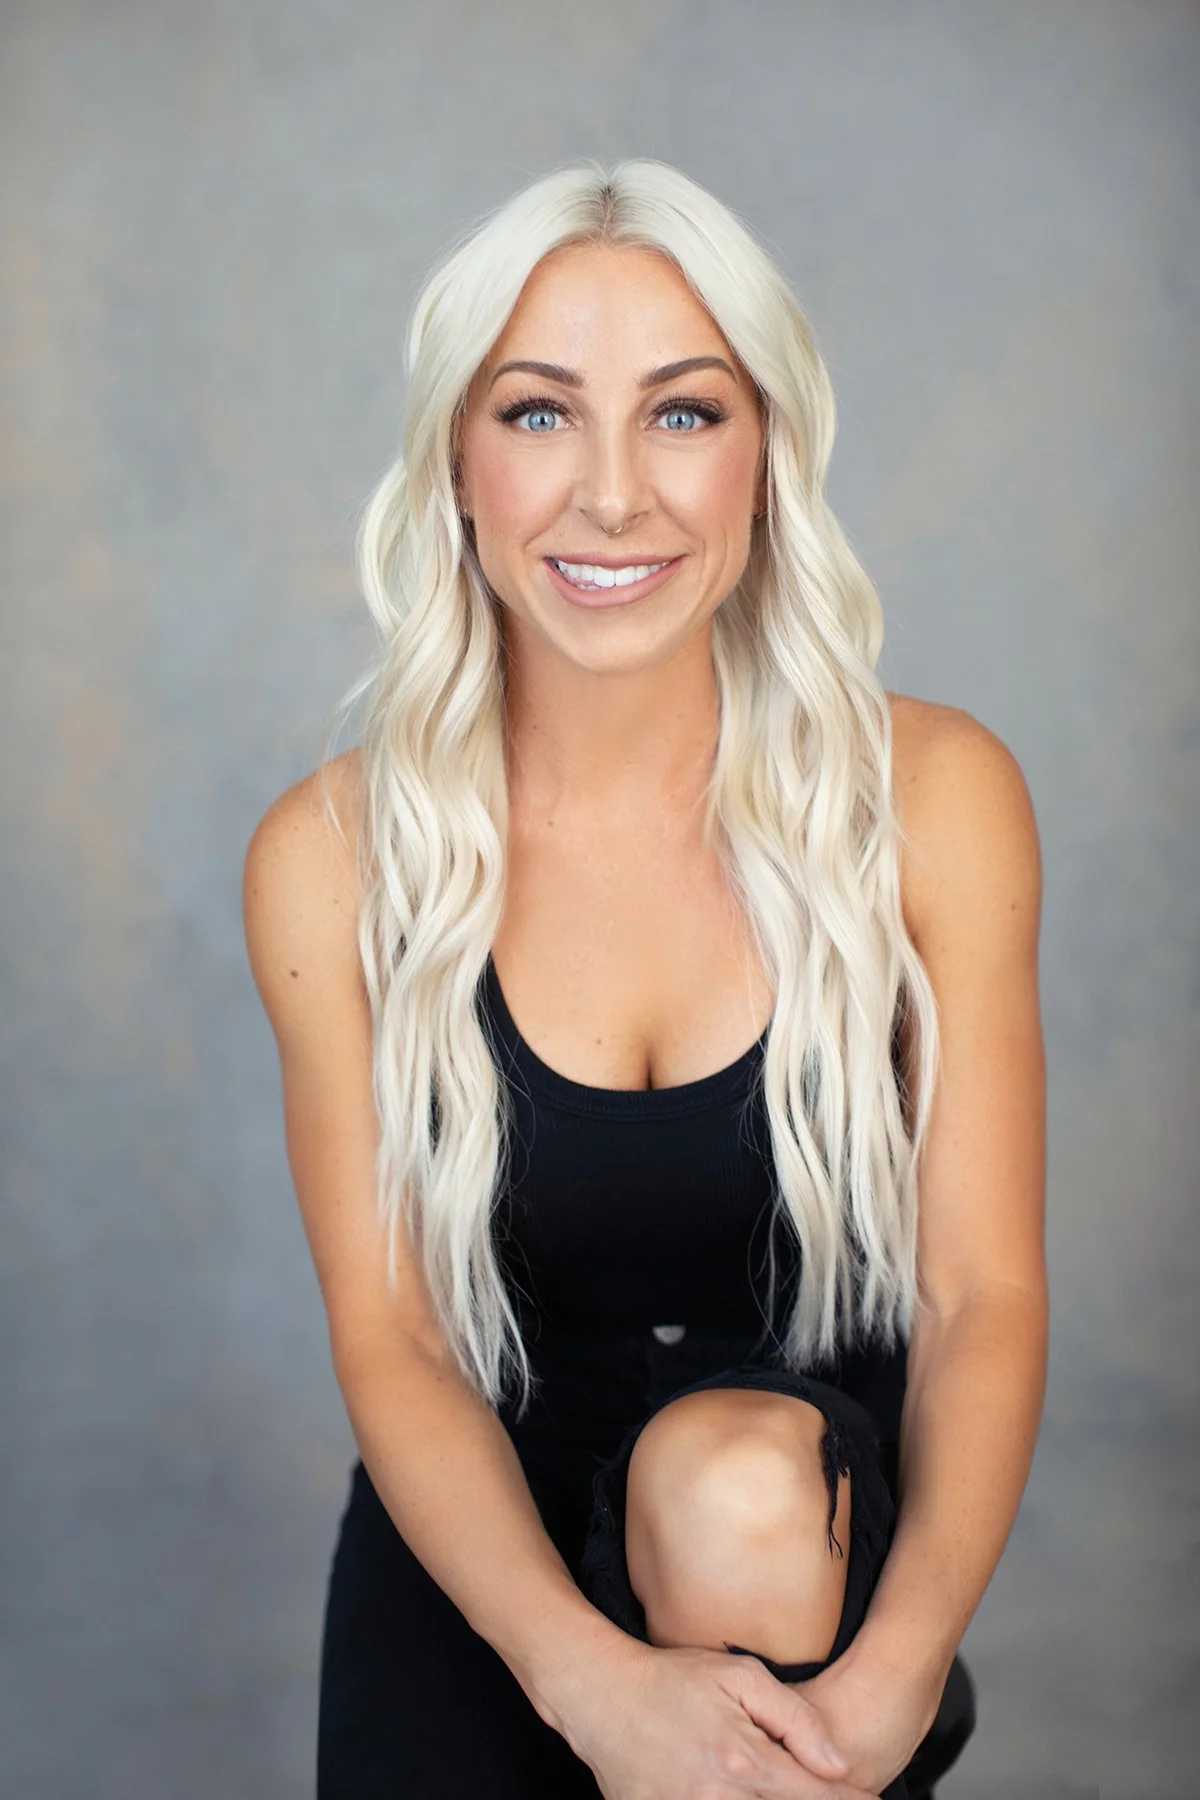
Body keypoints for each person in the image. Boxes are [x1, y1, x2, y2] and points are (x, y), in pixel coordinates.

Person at [243, 158, 1048, 1800]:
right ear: (456, 467)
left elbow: (982, 1300)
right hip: (484, 1574)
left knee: (733, 1483)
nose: (612, 495)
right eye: (539, 415)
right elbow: (395, 1337)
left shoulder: (935, 802)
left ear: (766, 459)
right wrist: (583, 1679)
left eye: (683, 414)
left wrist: (896, 1673)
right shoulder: (333, 859)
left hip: (804, 1552)